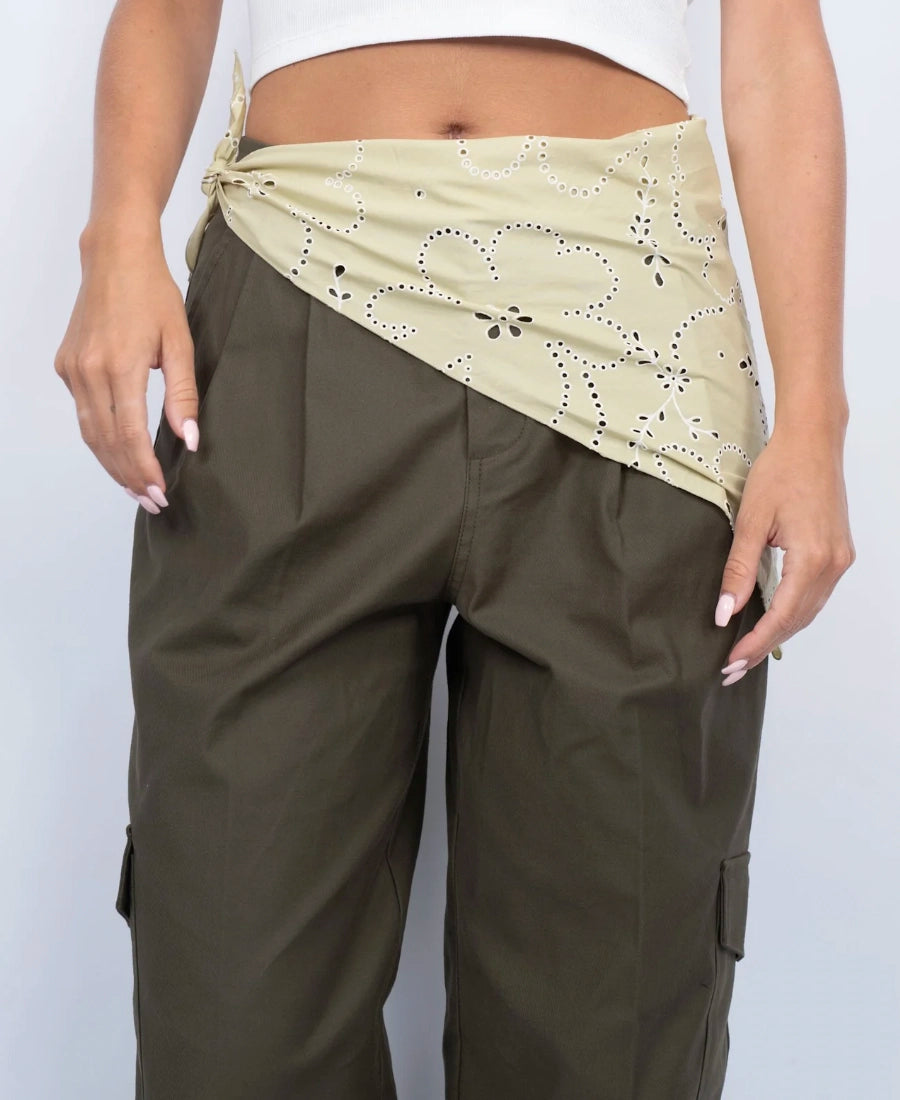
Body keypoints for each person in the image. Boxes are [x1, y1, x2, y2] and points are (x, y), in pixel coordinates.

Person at [55, 1, 854, 1097]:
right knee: (231, 1024)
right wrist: (116, 230)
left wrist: (814, 415)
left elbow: (774, 38)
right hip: (297, 279)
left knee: (605, 1038)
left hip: (631, 329)